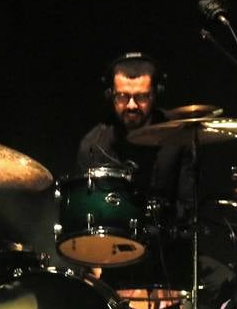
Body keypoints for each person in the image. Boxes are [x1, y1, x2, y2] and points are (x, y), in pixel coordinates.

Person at [75, 52, 195, 215]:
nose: (131, 105)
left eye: (141, 97)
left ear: (155, 94)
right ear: (110, 95)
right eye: (122, 96)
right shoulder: (92, 146)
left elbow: (187, 208)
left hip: (166, 237)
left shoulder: (179, 137)